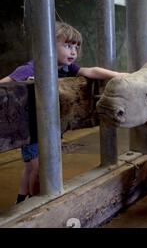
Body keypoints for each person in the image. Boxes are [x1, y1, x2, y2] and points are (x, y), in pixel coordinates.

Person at [0, 22, 127, 204]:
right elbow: (4, 85)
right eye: (67, 46)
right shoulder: (31, 68)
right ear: (49, 47)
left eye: (76, 47)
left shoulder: (67, 69)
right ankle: (36, 203)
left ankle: (21, 202)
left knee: (30, 168)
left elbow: (91, 71)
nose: (73, 52)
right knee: (40, 169)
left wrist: (119, 75)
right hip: (30, 129)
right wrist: (27, 86)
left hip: (48, 126)